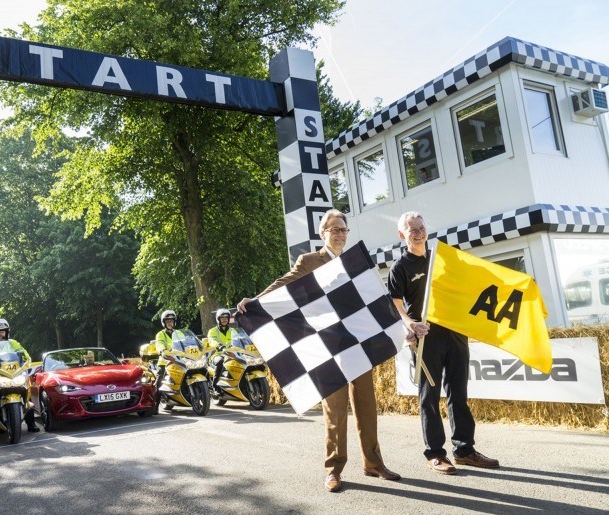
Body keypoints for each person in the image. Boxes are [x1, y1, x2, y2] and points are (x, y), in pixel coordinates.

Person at [237, 209, 401, 492]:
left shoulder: (356, 262)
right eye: (334, 229)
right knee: (334, 411)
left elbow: (374, 295)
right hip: (326, 345)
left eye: (343, 229)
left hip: (358, 342)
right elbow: (285, 284)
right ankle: (333, 470)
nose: (339, 234)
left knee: (366, 406)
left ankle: (373, 463)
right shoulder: (310, 260)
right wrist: (257, 300)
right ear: (322, 233)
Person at [388, 211, 499, 475]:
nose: (418, 232)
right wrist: (410, 324)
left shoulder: (443, 259)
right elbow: (393, 305)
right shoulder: (400, 267)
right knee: (429, 397)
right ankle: (436, 454)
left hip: (456, 333)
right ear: (402, 234)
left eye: (421, 227)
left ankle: (464, 450)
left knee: (458, 393)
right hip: (426, 339)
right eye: (411, 229)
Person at [0, 318, 39, 432]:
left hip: (14, 374)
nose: (1, 334)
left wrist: (26, 362)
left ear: (7, 332)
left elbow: (25, 355)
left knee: (27, 390)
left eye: (3, 331)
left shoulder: (13, 343)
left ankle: (31, 423)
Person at [206, 308, 235, 392]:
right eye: (222, 318)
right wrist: (218, 346)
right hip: (217, 354)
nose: (224, 319)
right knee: (220, 362)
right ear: (218, 319)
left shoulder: (233, 331)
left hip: (232, 354)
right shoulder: (212, 331)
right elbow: (212, 340)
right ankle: (215, 386)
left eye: (226, 317)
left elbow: (240, 339)